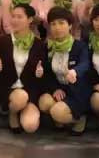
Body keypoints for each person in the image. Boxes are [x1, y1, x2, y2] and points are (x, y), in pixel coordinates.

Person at [38, 7, 90, 135]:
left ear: (70, 25)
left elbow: (85, 63)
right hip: (60, 89)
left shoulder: (80, 46)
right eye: (53, 24)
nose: (57, 27)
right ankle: (61, 119)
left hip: (76, 91)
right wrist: (55, 88)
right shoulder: (48, 47)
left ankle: (79, 119)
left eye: (61, 23)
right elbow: (48, 73)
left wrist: (74, 72)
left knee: (57, 112)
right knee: (44, 103)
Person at [0, 3, 44, 134]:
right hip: (10, 88)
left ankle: (24, 110)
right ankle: (13, 113)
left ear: (30, 19)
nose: (15, 20)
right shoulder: (4, 41)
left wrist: (40, 73)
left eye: (19, 17)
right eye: (13, 16)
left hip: (30, 89)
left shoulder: (38, 43)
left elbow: (42, 72)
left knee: (30, 126)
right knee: (20, 98)